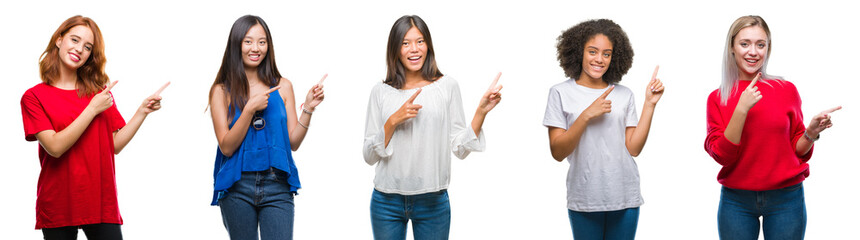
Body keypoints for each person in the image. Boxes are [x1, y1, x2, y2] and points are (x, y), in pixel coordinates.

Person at [20, 15, 168, 240]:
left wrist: (142, 112)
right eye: (75, 40)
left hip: (100, 202)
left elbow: (114, 145)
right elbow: (55, 147)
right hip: (59, 203)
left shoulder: (98, 93)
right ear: (59, 40)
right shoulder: (34, 97)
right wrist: (91, 109)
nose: (79, 49)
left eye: (87, 47)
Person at [362, 15, 502, 240]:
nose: (414, 49)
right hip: (386, 201)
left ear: (428, 45)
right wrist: (392, 121)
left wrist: (481, 112)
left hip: (433, 201)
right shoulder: (381, 91)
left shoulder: (447, 86)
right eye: (405, 43)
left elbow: (460, 147)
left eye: (420, 41)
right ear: (395, 49)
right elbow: (368, 156)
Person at [704, 15, 840, 240]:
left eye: (760, 44)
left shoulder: (785, 89)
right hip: (736, 200)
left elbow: (797, 149)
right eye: (744, 43)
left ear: (768, 48)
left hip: (786, 199)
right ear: (732, 48)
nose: (753, 52)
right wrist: (741, 109)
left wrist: (812, 132)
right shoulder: (718, 98)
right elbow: (722, 156)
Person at [543, 19, 664, 240]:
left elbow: (634, 148)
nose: (599, 59)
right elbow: (557, 152)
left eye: (607, 54)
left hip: (625, 195)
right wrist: (586, 115)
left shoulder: (623, 94)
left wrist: (649, 104)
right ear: (578, 51)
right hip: (585, 197)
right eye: (593, 51)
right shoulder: (560, 92)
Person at [208, 15, 325, 240]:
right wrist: (249, 109)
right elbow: (226, 147)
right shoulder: (221, 91)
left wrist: (308, 108)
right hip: (237, 186)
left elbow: (294, 142)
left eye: (262, 42)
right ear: (237, 44)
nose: (256, 48)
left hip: (277, 184)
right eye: (248, 41)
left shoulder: (283, 86)